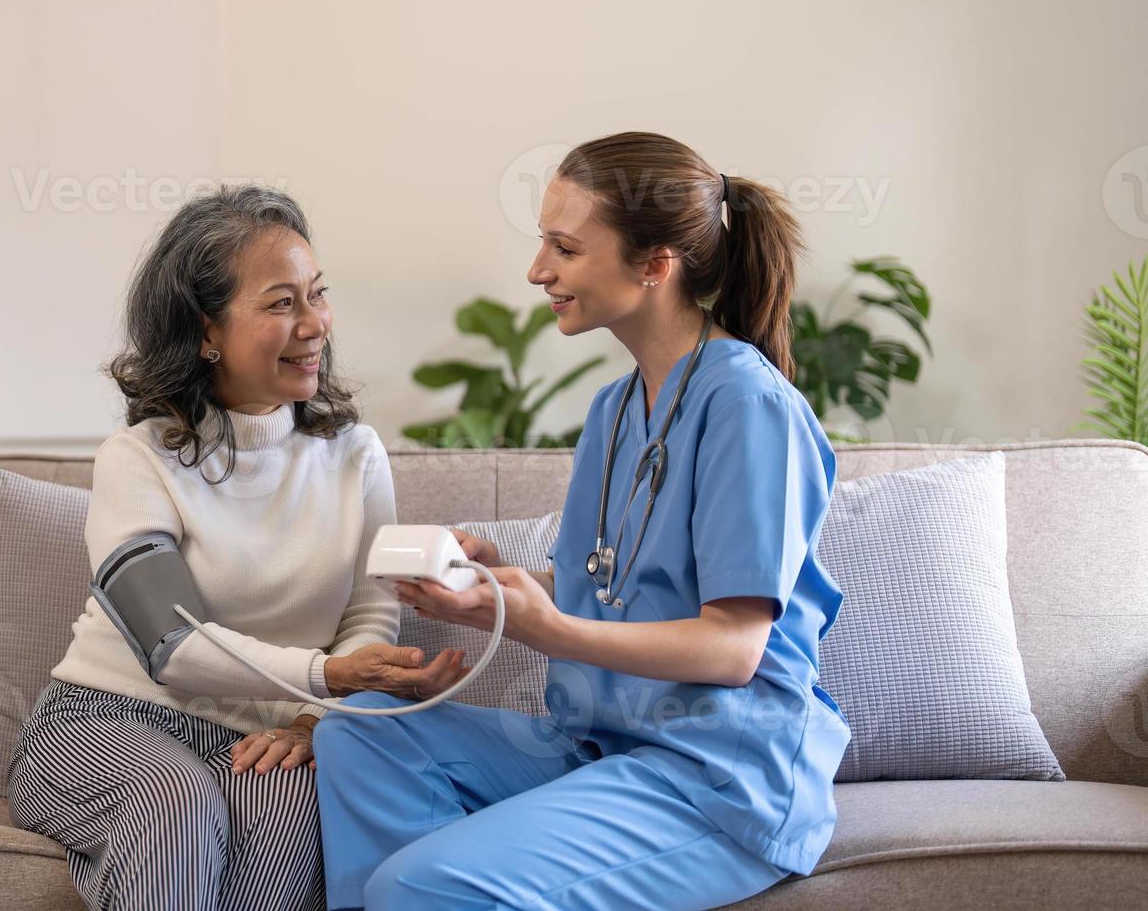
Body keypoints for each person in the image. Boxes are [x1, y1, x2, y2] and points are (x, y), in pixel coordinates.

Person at [314, 132, 852, 910]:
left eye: (564, 248)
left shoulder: (749, 409)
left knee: (415, 883)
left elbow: (733, 647)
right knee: (359, 732)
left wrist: (544, 628)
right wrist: (487, 584)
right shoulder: (615, 409)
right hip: (603, 747)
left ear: (654, 264)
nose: (538, 271)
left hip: (718, 778)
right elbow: (603, 582)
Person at [7, 184, 470, 911]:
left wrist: (320, 719)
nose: (315, 324)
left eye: (317, 294)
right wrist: (328, 676)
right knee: (175, 801)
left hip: (269, 733)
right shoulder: (140, 458)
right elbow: (174, 647)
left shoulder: (356, 454)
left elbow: (369, 613)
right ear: (205, 331)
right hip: (107, 720)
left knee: (290, 806)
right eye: (281, 303)